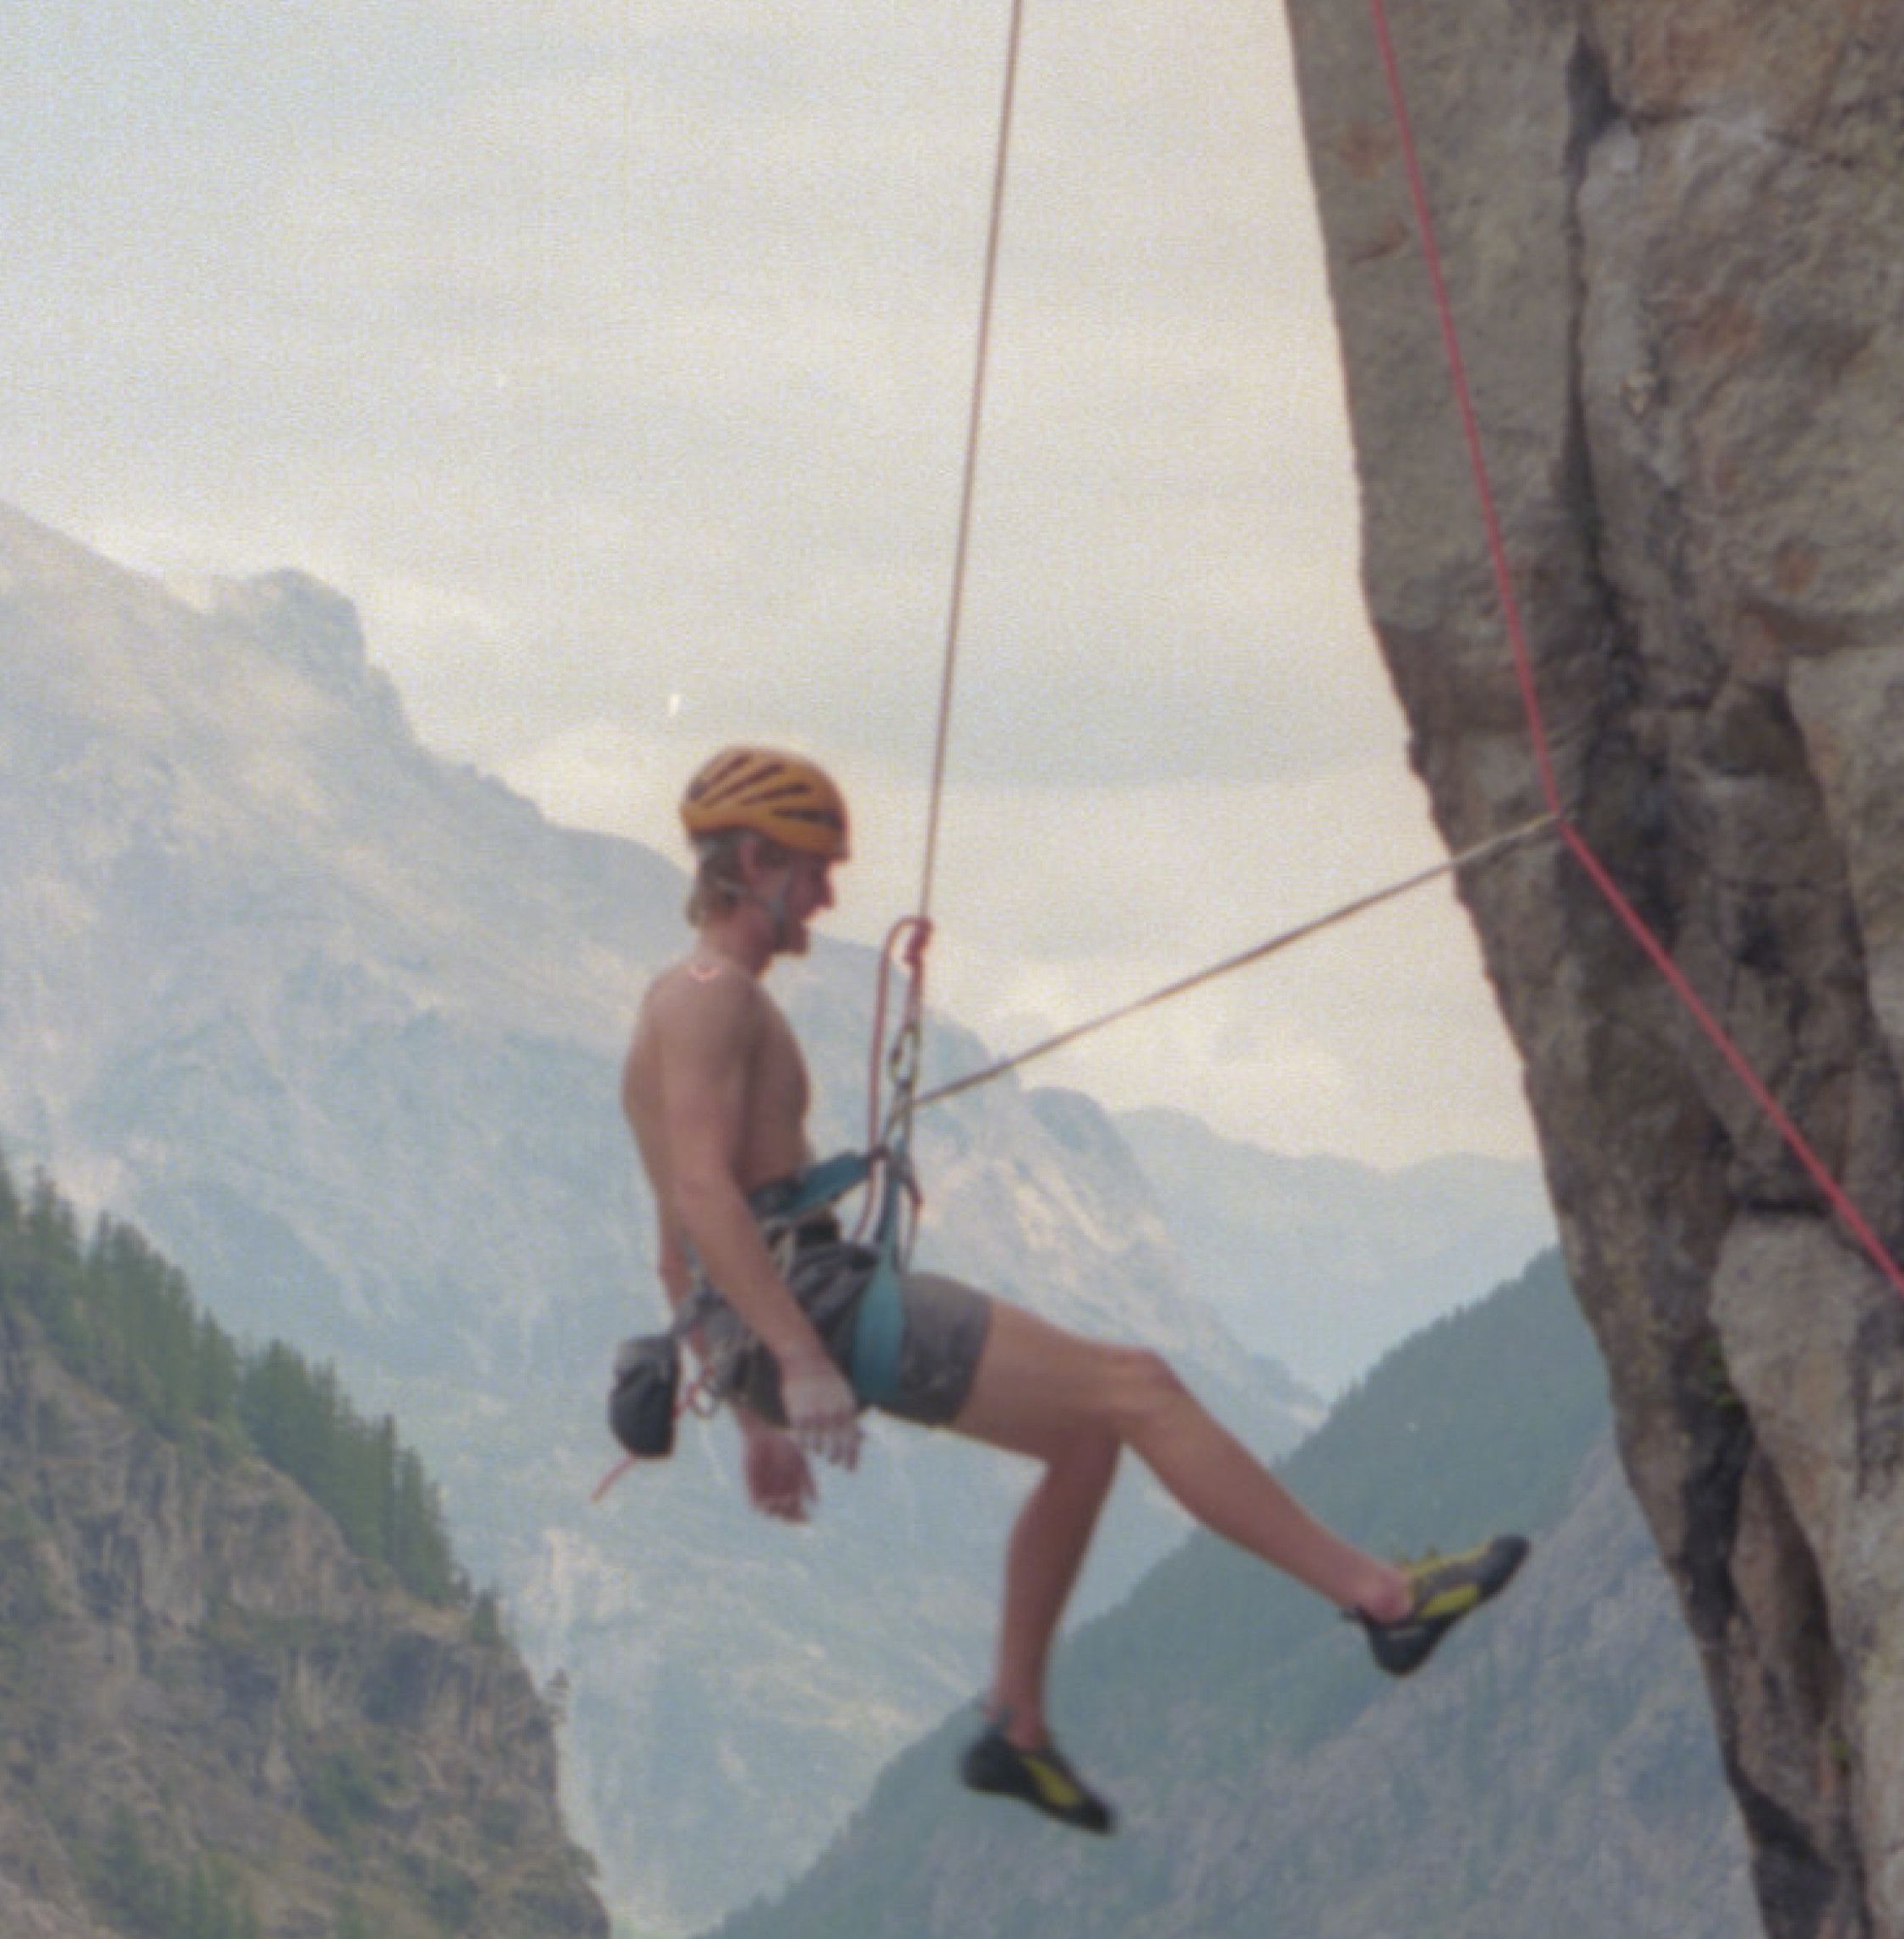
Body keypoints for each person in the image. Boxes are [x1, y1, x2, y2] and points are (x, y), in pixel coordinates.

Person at [622, 743, 1526, 1834]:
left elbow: (675, 1241)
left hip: (776, 1312)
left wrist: (756, 1404)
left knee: (1086, 1438)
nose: (826, 891)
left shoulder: (685, 1007)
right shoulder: (710, 998)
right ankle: (1384, 1600)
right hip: (811, 1301)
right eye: (813, 866)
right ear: (754, 859)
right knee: (1137, 1388)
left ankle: (1018, 1726)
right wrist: (800, 1364)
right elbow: (709, 1199)